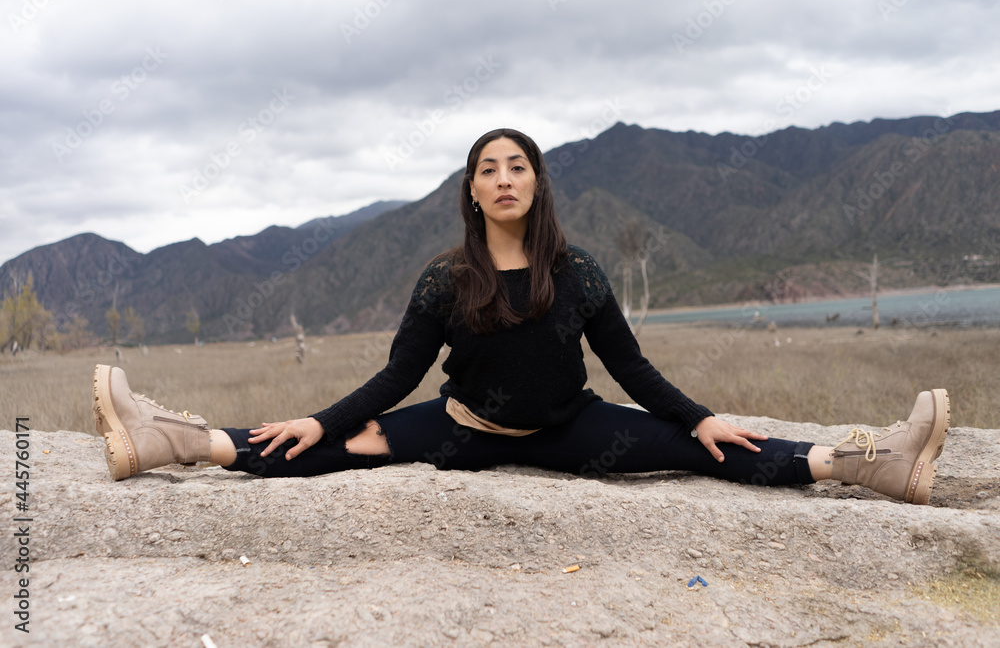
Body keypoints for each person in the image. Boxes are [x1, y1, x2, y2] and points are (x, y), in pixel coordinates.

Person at [92, 128, 951, 504]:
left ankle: (869, 463)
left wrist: (698, 414)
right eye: (487, 168)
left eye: (518, 165)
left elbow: (633, 368)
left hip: (575, 430)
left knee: (715, 448)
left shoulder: (576, 271)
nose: (503, 178)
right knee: (325, 451)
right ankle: (173, 439)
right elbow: (398, 377)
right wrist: (323, 417)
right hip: (458, 428)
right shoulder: (444, 278)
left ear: (536, 182)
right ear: (470, 189)